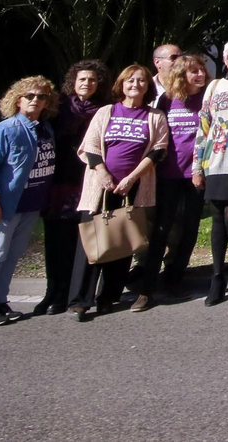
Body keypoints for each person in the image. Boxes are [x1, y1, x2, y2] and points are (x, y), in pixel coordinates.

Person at [69, 64, 170, 321]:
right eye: (130, 81)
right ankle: (81, 300)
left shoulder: (155, 116)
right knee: (92, 242)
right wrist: (103, 174)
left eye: (141, 81)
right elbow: (90, 145)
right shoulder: (106, 111)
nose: (135, 85)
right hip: (100, 188)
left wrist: (132, 178)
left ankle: (108, 297)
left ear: (148, 87)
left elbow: (158, 150)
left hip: (132, 188)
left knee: (121, 242)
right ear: (121, 84)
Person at [0, 76, 58, 327]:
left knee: (12, 255)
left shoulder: (45, 128)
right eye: (29, 96)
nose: (35, 100)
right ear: (17, 100)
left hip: (30, 204)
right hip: (4, 205)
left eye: (41, 97)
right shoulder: (5, 130)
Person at [37, 60, 111, 316]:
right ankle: (52, 292)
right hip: (58, 181)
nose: (87, 84)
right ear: (73, 81)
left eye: (92, 80)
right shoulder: (58, 107)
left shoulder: (104, 109)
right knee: (55, 240)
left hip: (87, 181)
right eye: (82, 79)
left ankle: (71, 293)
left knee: (81, 241)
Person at [136, 53, 209, 309]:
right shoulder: (167, 100)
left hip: (197, 174)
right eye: (194, 71)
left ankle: (175, 280)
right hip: (168, 174)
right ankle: (147, 288)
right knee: (161, 229)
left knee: (190, 229)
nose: (200, 74)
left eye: (202, 70)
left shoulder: (207, 98)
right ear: (181, 75)